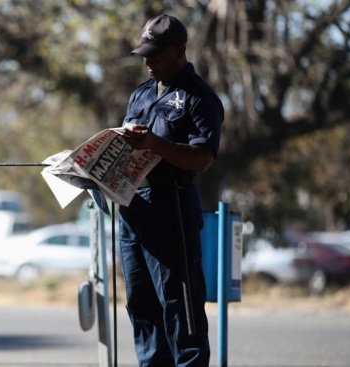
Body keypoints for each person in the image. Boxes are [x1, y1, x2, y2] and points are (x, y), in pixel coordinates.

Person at [118, 14, 224, 367]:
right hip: (132, 206)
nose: (149, 63)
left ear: (180, 51)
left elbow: (202, 159)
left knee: (179, 304)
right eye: (145, 55)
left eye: (157, 56)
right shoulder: (141, 93)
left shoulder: (200, 97)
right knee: (141, 304)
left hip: (171, 205)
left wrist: (155, 143)